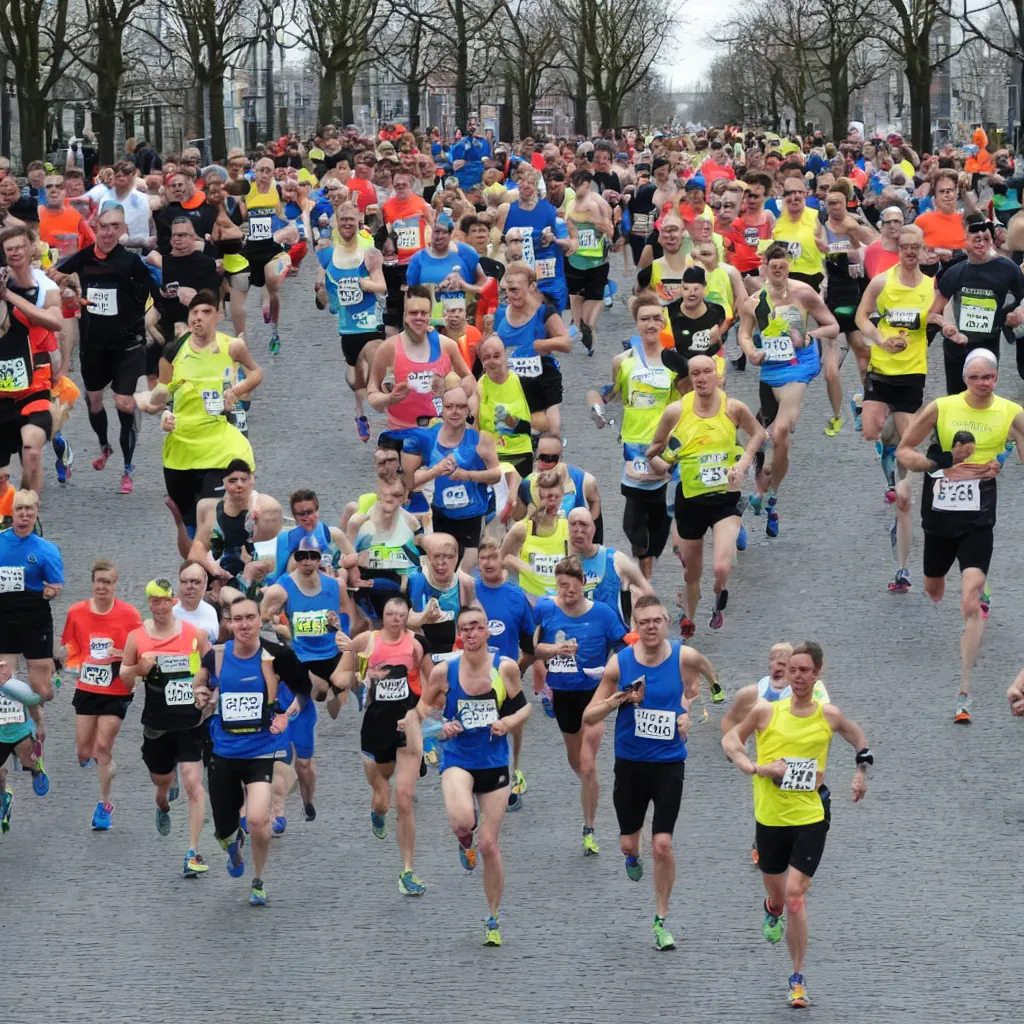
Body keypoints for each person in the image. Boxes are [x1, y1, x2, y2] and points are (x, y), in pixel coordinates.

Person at [722, 641, 871, 1010]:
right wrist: (756, 768)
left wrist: (860, 774)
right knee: (778, 897)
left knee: (795, 895)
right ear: (786, 673)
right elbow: (729, 740)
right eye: (793, 670)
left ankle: (797, 979)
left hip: (810, 816)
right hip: (770, 819)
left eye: (806, 670)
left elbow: (859, 741)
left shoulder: (828, 715)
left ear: (817, 673)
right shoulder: (765, 712)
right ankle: (771, 908)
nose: (799, 676)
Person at [896, 347, 1024, 723]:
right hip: (939, 511)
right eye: (975, 377)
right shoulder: (942, 407)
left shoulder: (1011, 412)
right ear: (965, 378)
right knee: (934, 588)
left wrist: (1000, 463)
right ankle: (963, 587)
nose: (983, 384)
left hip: (979, 514)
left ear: (997, 378)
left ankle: (964, 691)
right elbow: (906, 452)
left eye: (989, 377)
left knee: (969, 600)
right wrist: (940, 462)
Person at [583, 595, 718, 950]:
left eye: (657, 620)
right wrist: (619, 700)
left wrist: (687, 712)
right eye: (644, 622)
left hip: (669, 762)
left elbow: (694, 687)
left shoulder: (683, 656)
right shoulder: (620, 664)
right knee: (630, 841)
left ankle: (660, 919)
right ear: (635, 626)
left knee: (663, 843)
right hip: (630, 764)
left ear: (667, 622)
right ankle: (631, 854)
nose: (651, 627)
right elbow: (589, 716)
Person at [420, 605, 530, 945]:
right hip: (457, 758)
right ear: (459, 634)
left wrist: (507, 722)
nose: (470, 634)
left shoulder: (505, 668)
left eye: (477, 627)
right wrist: (441, 727)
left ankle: (493, 918)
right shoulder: (445, 671)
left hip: (494, 762)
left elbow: (524, 707)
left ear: (487, 632)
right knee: (462, 822)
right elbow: (420, 715)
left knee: (489, 845)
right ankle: (463, 840)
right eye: (465, 628)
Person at [647, 355, 766, 636]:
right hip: (690, 500)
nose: (701, 379)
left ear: (718, 376)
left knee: (721, 566)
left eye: (707, 372)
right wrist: (664, 466)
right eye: (695, 374)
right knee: (691, 573)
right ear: (689, 379)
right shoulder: (675, 411)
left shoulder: (733, 408)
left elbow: (759, 434)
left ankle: (718, 597)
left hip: (726, 500)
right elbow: (654, 450)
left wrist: (742, 464)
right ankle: (688, 616)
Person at [135, 292, 262, 540]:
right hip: (182, 451)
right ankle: (198, 574)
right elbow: (164, 394)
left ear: (219, 315)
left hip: (219, 447)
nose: (198, 318)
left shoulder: (233, 346)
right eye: (194, 312)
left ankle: (227, 561)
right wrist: (164, 415)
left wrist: (237, 390)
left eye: (206, 312)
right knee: (190, 529)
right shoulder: (173, 350)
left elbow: (256, 373)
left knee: (212, 521)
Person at [50, 203, 158, 493]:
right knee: (94, 401)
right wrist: (70, 286)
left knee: (123, 402)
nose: (109, 232)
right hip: (94, 344)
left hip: (128, 344)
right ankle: (104, 446)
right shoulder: (83, 258)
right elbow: (53, 273)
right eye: (104, 226)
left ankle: (127, 467)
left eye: (115, 227)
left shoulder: (131, 262)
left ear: (123, 230)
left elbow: (155, 291)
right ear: (95, 227)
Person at [737, 243, 839, 536]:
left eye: (783, 266)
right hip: (770, 367)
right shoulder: (755, 302)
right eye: (773, 267)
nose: (779, 271)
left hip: (800, 366)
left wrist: (809, 336)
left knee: (781, 431)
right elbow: (744, 334)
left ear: (789, 267)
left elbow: (832, 326)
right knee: (770, 433)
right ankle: (766, 493)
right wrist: (750, 352)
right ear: (765, 268)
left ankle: (771, 494)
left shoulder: (804, 293)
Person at [334, 594, 432, 895]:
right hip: (375, 726)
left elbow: (432, 686)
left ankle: (407, 871)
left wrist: (418, 714)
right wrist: (363, 677)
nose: (396, 620)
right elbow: (338, 676)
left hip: (407, 726)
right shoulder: (367, 641)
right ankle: (377, 812)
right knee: (383, 795)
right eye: (390, 614)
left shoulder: (415, 645)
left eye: (401, 615)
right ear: (383, 616)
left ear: (406, 618)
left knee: (404, 799)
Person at [855, 225, 935, 592]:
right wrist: (879, 338)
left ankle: (898, 484)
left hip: (912, 376)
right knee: (871, 429)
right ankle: (878, 436)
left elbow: (938, 318)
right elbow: (861, 317)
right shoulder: (882, 282)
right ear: (897, 248)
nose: (910, 253)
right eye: (905, 247)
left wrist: (944, 327)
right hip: (881, 370)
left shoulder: (930, 286)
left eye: (916, 248)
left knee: (906, 444)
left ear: (922, 250)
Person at [193, 596, 288, 905]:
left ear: (259, 620)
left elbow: (295, 687)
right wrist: (200, 693)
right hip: (223, 752)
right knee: (223, 829)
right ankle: (233, 844)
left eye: (250, 617)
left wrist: (285, 712)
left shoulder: (272, 656)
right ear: (229, 624)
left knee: (259, 821)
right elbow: (200, 682)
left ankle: (258, 881)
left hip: (260, 750)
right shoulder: (217, 657)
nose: (244, 624)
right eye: (238, 619)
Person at [533, 556, 627, 855]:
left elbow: (623, 645)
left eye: (571, 587)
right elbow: (531, 647)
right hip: (563, 695)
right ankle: (590, 785)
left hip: (595, 694)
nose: (566, 592)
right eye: (561, 586)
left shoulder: (602, 613)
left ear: (583, 584)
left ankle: (589, 828)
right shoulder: (546, 609)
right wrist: (554, 649)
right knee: (576, 762)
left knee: (587, 763)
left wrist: (611, 670)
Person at [120, 579, 213, 875]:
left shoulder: (193, 635)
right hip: (157, 721)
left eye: (164, 600)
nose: (159, 607)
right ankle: (162, 804)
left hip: (190, 718)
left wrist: (208, 694)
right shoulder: (137, 638)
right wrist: (138, 669)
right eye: (153, 601)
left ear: (173, 602)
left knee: (192, 781)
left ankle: (193, 852)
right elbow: (124, 678)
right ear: (149, 603)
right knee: (162, 781)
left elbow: (210, 668)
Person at [721, 642, 831, 867]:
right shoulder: (756, 692)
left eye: (784, 662)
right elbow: (730, 720)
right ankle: (764, 844)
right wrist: (737, 750)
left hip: (803, 760)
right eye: (774, 660)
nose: (777, 667)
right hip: (770, 765)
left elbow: (826, 720)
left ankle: (806, 842)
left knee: (811, 805)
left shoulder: (815, 690)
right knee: (770, 805)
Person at [60, 560, 143, 829]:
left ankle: (104, 804)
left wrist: (123, 656)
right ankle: (94, 759)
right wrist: (68, 665)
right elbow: (71, 648)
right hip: (87, 688)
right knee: (84, 752)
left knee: (103, 747)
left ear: (115, 585)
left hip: (117, 689)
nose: (102, 587)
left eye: (107, 582)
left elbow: (140, 648)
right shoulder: (76, 612)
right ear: (92, 583)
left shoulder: (129, 615)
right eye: (98, 581)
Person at [401, 386, 500, 570]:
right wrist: (436, 470)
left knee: (464, 573)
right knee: (444, 572)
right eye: (449, 407)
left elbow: (496, 475)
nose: (455, 412)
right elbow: (408, 481)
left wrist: (467, 475)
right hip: (441, 514)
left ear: (467, 410)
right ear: (442, 410)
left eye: (461, 407)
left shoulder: (480, 438)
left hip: (472, 516)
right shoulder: (428, 439)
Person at [314, 202, 386, 441]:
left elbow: (382, 285)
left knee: (376, 361)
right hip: (347, 328)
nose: (347, 223)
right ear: (337, 222)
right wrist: (323, 295)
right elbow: (323, 290)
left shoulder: (369, 251)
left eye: (351, 219)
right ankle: (360, 412)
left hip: (371, 323)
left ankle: (391, 414)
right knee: (357, 381)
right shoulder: (327, 254)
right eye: (342, 219)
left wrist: (366, 284)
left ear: (358, 222)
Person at [0, 226, 64, 493]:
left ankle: (29, 511)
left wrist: (8, 296)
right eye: (8, 249)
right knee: (2, 477)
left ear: (30, 249)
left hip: (35, 387)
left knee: (32, 451)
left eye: (19, 247)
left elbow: (55, 322)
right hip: (3, 392)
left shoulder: (45, 287)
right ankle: (7, 520)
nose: (15, 253)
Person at [928, 217, 1024, 395]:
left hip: (988, 343)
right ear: (964, 242)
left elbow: (1022, 298)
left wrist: (1018, 311)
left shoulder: (1008, 269)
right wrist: (947, 326)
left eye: (986, 239)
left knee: (982, 393)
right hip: (957, 345)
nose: (981, 243)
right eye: (976, 239)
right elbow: (932, 313)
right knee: (956, 398)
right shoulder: (954, 272)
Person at [493, 264, 572, 438]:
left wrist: (541, 345)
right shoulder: (500, 315)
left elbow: (566, 343)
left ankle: (549, 455)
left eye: (516, 289)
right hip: (511, 380)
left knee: (553, 429)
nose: (512, 295)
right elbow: (492, 346)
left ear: (531, 287)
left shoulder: (544, 313)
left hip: (543, 377)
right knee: (507, 431)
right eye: (509, 290)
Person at [0, 489, 63, 703]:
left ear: (37, 512)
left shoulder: (48, 550)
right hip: (4, 617)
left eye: (29, 509)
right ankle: (21, 732)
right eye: (19, 509)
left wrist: (50, 592)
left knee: (43, 690)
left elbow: (56, 585)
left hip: (34, 619)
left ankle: (38, 722)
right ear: (12, 512)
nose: (24, 514)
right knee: (3, 681)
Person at [188, 459, 283, 598]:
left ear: (252, 481)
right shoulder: (212, 510)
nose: (239, 485)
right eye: (233, 481)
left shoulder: (267, 507)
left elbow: (272, 553)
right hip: (223, 574)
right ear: (224, 483)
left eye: (243, 480)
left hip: (260, 577)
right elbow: (196, 552)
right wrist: (213, 568)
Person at [565, 170, 615, 355]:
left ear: (587, 184)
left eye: (579, 183)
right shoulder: (577, 203)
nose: (576, 187)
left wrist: (602, 227)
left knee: (589, 297)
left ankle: (585, 328)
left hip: (593, 260)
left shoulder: (593, 203)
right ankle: (585, 328)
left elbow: (607, 226)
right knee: (584, 298)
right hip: (580, 259)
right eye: (574, 183)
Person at [475, 334, 534, 477]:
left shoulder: (522, 381)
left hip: (521, 453)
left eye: (496, 356)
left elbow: (542, 420)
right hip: (493, 456)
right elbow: (474, 426)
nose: (492, 361)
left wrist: (511, 423)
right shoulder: (478, 388)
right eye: (486, 357)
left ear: (505, 357)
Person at [0, 660, 47, 830]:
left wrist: (40, 727)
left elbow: (33, 703)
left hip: (20, 734)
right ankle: (4, 799)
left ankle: (36, 769)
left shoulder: (17, 688)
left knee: (28, 762)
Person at [771, 175, 828, 290]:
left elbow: (826, 250)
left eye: (799, 192)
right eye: (789, 193)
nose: (794, 197)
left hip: (812, 278)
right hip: (784, 280)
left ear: (806, 194)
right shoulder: (776, 221)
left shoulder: (816, 216)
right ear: (783, 196)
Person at [172, 560, 220, 642]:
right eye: (184, 582)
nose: (189, 586)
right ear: (179, 584)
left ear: (205, 585)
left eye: (196, 582)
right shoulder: (171, 614)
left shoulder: (211, 612)